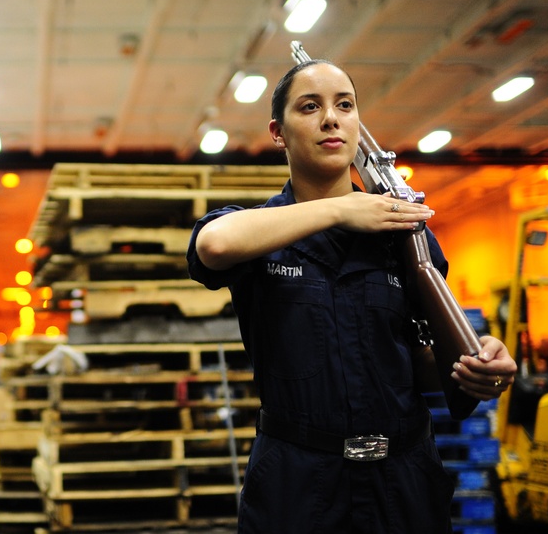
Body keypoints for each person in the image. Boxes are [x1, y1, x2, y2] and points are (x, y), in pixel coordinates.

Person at [187, 58, 517, 533]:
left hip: (402, 478)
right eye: (310, 106)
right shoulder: (259, 231)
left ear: (358, 127)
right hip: (298, 482)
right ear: (278, 132)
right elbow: (214, 244)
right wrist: (341, 210)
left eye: (345, 104)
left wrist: (479, 363)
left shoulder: (406, 237)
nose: (330, 118)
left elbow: (418, 356)